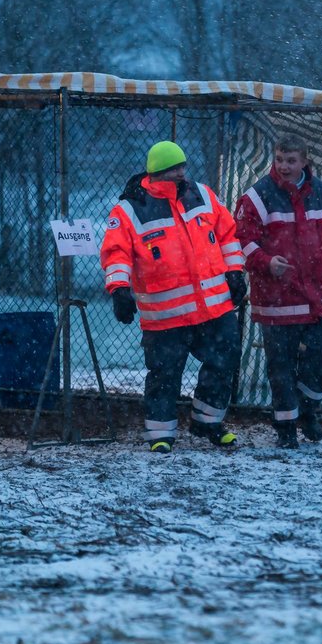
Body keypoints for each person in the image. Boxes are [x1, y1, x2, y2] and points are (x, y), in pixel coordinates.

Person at [100, 140, 247, 453]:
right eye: (174, 169)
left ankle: (207, 422)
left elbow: (228, 236)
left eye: (183, 167)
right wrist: (119, 289)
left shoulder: (203, 195)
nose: (182, 173)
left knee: (226, 358)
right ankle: (161, 435)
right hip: (165, 315)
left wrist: (235, 271)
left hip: (214, 307)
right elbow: (116, 253)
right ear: (157, 173)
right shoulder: (129, 209)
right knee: (165, 375)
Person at [235, 135, 322, 449]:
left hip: (321, 296)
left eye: (291, 161)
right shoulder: (257, 197)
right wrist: (266, 262)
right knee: (281, 365)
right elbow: (242, 242)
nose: (284, 167)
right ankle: (286, 428)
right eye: (280, 160)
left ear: (304, 162)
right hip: (277, 298)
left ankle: (307, 408)